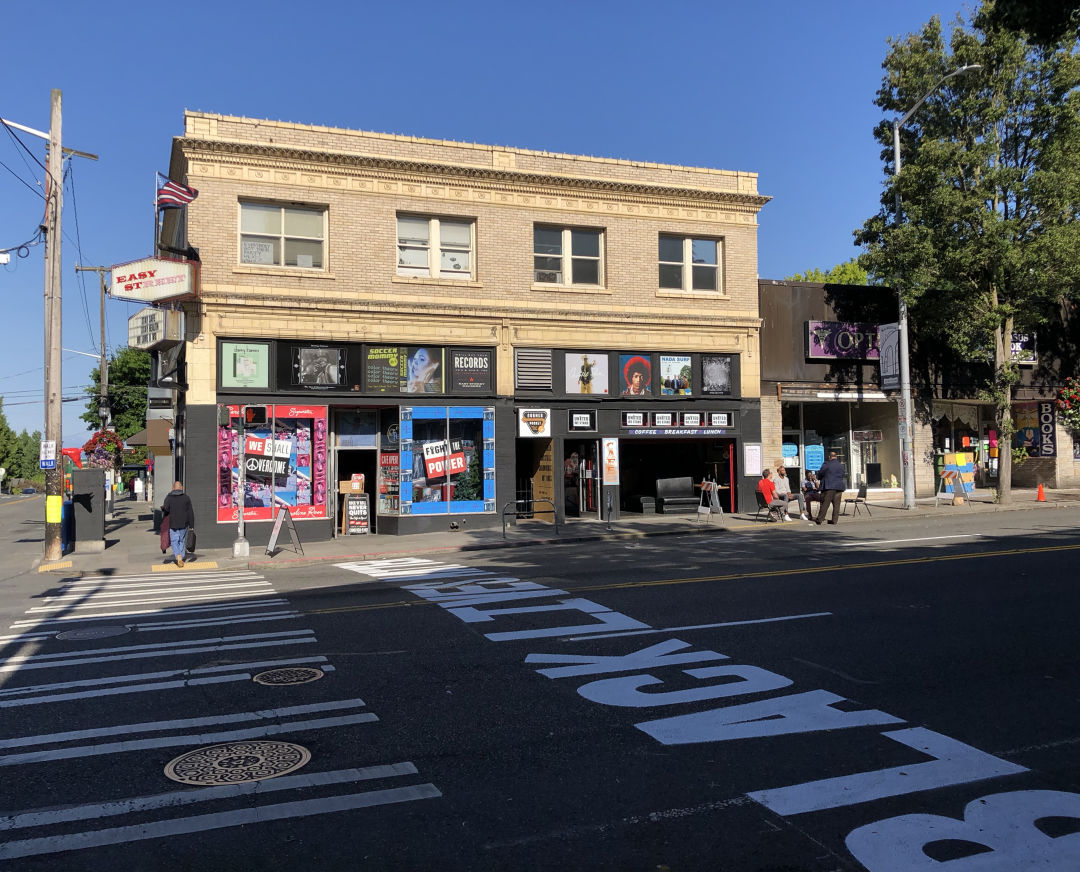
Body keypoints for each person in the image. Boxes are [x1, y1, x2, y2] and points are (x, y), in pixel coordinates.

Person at [162, 480, 195, 566]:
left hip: (173, 523)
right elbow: (190, 512)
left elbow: (166, 509)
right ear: (181, 488)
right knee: (182, 540)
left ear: (173, 488)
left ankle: (178, 555)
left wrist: (163, 510)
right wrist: (192, 525)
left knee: (174, 541)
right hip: (184, 524)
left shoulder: (169, 497)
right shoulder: (186, 498)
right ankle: (182, 556)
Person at [815, 450, 846, 525]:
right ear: (836, 457)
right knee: (836, 505)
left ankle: (820, 519)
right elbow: (842, 475)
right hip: (839, 487)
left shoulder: (827, 464)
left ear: (829, 457)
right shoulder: (841, 465)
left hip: (829, 487)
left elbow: (820, 473)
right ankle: (834, 520)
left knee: (825, 504)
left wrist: (819, 478)